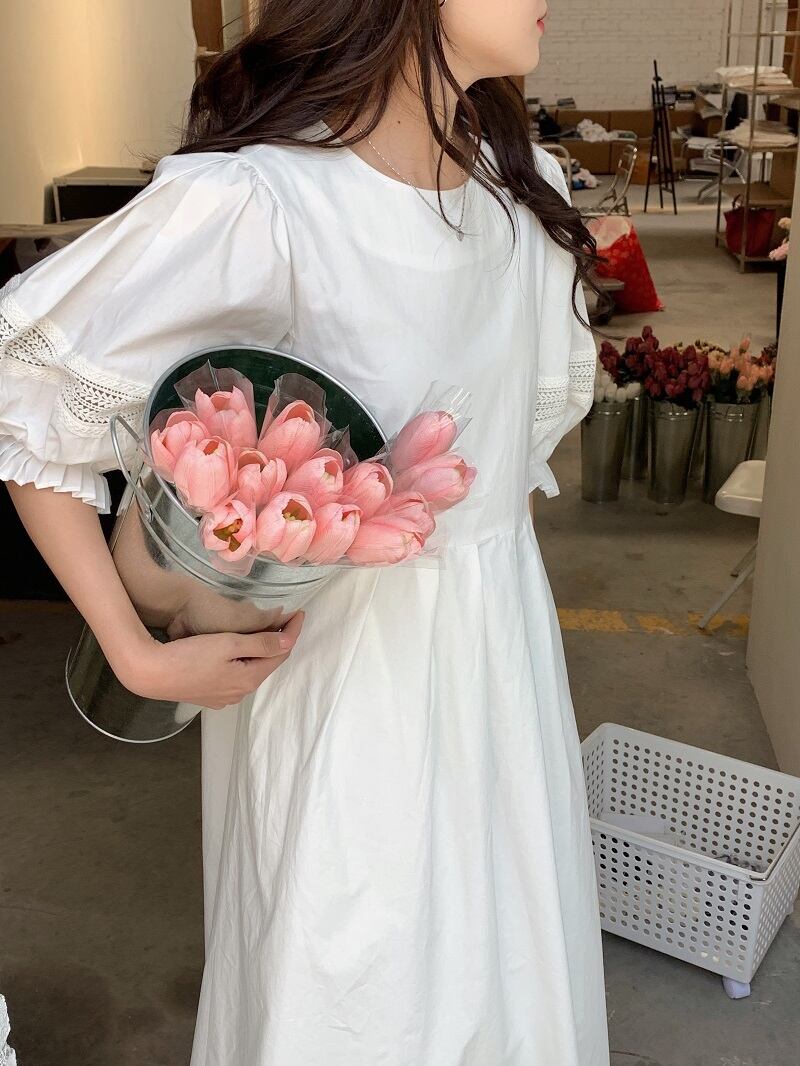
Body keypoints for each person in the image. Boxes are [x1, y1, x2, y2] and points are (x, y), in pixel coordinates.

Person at [0, 0, 610, 1062]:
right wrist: (133, 653)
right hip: (340, 698)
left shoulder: (527, 200)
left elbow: (510, 477)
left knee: (508, 980)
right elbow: (30, 400)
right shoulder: (265, 204)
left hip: (502, 678)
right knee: (354, 994)